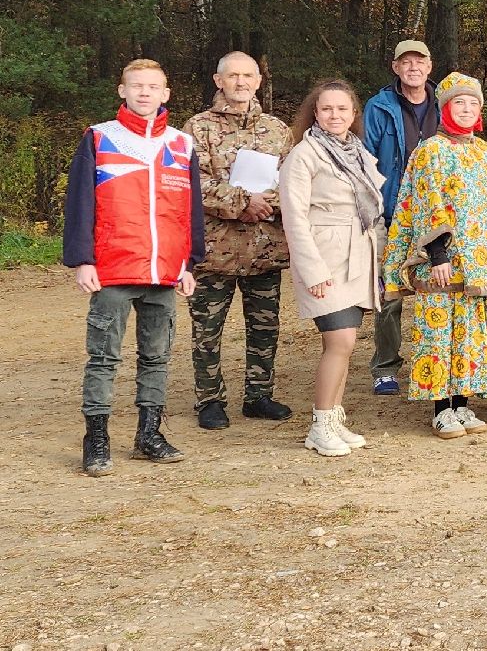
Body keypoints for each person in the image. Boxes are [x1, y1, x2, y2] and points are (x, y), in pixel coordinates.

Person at [68, 59, 206, 476]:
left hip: (164, 272)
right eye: (136, 86)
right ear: (122, 91)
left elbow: (190, 211)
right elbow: (79, 204)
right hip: (111, 268)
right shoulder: (100, 138)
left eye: (153, 86)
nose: (145, 93)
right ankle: (97, 438)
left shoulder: (182, 144)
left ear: (166, 94)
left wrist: (188, 263)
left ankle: (149, 434)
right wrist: (81, 259)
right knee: (103, 357)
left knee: (157, 356)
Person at [380, 73, 487, 439]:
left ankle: (462, 404)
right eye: (458, 103)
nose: (466, 109)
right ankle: (441, 410)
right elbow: (427, 203)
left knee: (468, 334)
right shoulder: (432, 150)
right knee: (440, 333)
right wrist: (437, 254)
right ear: (445, 108)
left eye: (473, 103)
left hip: (478, 261)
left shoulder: (481, 150)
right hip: (445, 259)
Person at [185, 52, 293, 430]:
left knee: (265, 326)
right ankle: (209, 400)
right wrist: (243, 202)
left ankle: (259, 395)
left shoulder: (278, 130)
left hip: (265, 248)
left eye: (248, 76)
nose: (241, 82)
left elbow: (293, 182)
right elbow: (192, 183)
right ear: (219, 81)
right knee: (207, 329)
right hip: (215, 250)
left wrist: (265, 206)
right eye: (233, 76)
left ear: (259, 81)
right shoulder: (198, 129)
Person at [279, 81, 385, 457]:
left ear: (354, 114)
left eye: (342, 109)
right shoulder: (304, 155)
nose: (335, 116)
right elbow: (294, 219)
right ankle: (320, 424)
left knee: (346, 343)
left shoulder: (357, 153)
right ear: (315, 112)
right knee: (339, 342)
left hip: (358, 256)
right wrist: (314, 271)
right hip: (326, 257)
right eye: (327, 109)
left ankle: (334, 420)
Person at [361, 39, 437, 395]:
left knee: (437, 291)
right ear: (395, 68)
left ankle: (438, 362)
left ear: (429, 66)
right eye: (405, 62)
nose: (413, 68)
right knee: (390, 295)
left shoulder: (446, 103)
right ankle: (386, 367)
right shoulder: (379, 107)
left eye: (418, 62)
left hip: (437, 218)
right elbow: (368, 163)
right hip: (392, 214)